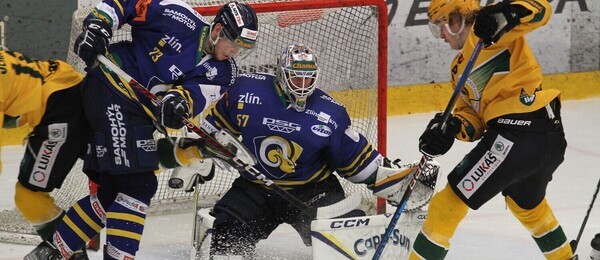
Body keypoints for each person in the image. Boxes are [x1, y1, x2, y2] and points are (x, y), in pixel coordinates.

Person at [155, 44, 440, 259]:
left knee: (346, 251)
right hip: (255, 189)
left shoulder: (331, 113)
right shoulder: (244, 92)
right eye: (296, 77)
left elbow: (357, 162)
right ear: (281, 73)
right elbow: (212, 131)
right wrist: (199, 155)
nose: (302, 85)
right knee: (224, 248)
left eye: (308, 78)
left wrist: (396, 180)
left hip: (313, 190)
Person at [25, 0, 259, 259]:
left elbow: (193, 97)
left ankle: (52, 252)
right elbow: (127, 4)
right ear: (217, 32)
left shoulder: (224, 71)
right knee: (140, 183)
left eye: (243, 49)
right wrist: (98, 26)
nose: (236, 53)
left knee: (114, 191)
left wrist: (177, 103)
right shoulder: (177, 15)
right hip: (110, 86)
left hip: (138, 115)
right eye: (234, 45)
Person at [410, 0, 573, 259]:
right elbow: (473, 120)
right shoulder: (457, 70)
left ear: (457, 18)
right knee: (527, 206)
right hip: (541, 136)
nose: (439, 34)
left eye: (440, 24)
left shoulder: (494, 25)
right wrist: (450, 127)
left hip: (520, 131)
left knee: (446, 205)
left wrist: (507, 12)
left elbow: (542, 10)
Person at [0, 50, 91, 259]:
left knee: (29, 197)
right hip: (67, 88)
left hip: (58, 109)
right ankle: (182, 151)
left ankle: (70, 252)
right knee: (122, 162)